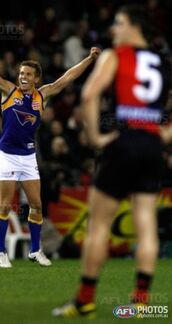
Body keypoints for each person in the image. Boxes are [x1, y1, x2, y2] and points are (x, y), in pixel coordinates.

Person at [52, 4, 171, 318]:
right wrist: (161, 137)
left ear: (134, 26)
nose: (113, 29)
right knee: (146, 225)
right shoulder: (163, 63)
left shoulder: (115, 56)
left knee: (99, 225)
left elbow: (89, 95)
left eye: (119, 23)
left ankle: (85, 300)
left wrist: (95, 138)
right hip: (151, 146)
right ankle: (141, 305)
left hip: (121, 144)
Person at [0, 35, 100, 268]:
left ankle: (35, 250)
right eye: (21, 73)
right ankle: (1, 252)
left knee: (37, 206)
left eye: (28, 74)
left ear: (36, 78)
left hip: (28, 158)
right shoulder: (9, 91)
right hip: (7, 156)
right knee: (5, 206)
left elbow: (67, 77)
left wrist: (89, 59)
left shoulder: (43, 95)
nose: (22, 77)